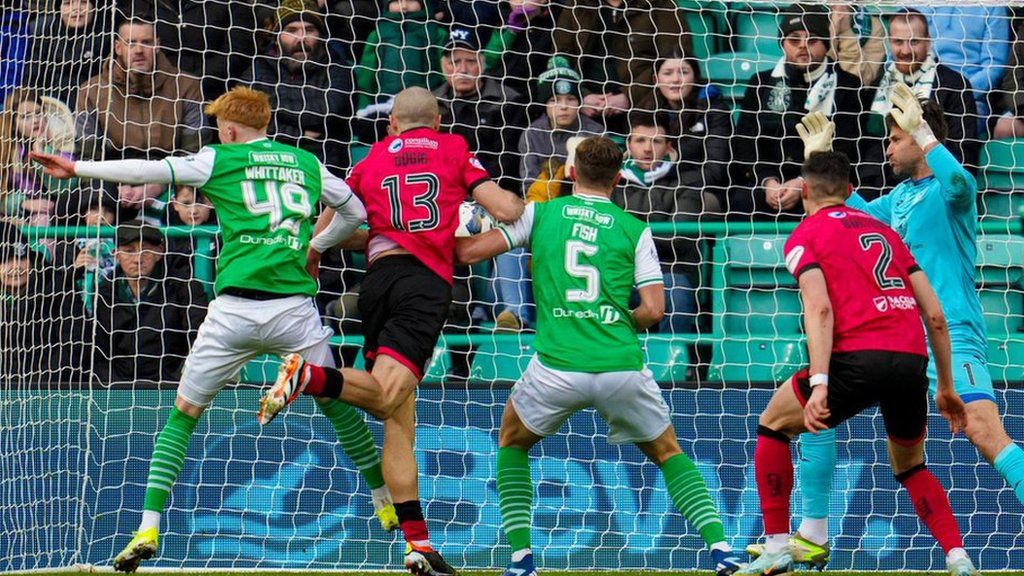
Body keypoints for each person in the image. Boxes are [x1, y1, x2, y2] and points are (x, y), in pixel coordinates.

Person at [31, 86, 395, 573]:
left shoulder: (219, 158)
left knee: (184, 413)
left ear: (228, 128)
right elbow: (354, 211)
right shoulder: (306, 163)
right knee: (335, 401)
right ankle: (383, 499)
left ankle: (148, 525)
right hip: (293, 311)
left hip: (234, 313)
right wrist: (316, 245)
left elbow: (149, 171)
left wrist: (77, 168)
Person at [752, 83, 1024, 570]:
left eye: (896, 138)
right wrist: (821, 161)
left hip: (953, 333)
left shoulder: (950, 192)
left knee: (983, 432)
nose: (888, 147)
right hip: (901, 337)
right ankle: (813, 534)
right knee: (813, 418)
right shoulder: (898, 198)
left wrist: (924, 132)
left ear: (920, 139)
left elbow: (963, 185)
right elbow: (850, 215)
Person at [257, 86, 524, 576]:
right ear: (438, 121)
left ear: (394, 123)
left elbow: (335, 221)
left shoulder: (371, 158)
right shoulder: (455, 149)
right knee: (384, 398)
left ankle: (418, 545)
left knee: (399, 417)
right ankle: (309, 377)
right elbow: (505, 211)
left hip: (376, 282)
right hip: (423, 284)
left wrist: (314, 254)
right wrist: (524, 209)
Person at [452, 136, 745, 576]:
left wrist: (459, 227)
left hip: (557, 365)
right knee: (668, 452)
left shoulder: (540, 213)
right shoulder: (634, 227)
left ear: (571, 173)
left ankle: (520, 561)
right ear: (617, 177)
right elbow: (654, 310)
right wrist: (610, 321)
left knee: (512, 442)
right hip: (620, 364)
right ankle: (722, 552)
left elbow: (469, 253)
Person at [736, 149, 976, 576]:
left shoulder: (804, 235)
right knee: (912, 465)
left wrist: (822, 383)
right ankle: (957, 557)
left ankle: (776, 545)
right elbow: (935, 315)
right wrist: (946, 387)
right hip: (910, 361)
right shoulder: (887, 233)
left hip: (854, 359)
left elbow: (820, 310)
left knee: (773, 424)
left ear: (804, 191)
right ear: (849, 191)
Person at [732, 3, 867, 217]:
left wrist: (804, 181)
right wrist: (768, 182)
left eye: (812, 40)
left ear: (826, 44)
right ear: (783, 44)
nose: (803, 46)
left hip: (824, 185)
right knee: (740, 199)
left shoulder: (848, 86)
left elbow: (849, 146)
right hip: (769, 186)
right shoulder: (761, 83)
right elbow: (745, 142)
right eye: (794, 40)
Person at [858, 8, 977, 195]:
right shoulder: (878, 84)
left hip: (934, 189)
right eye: (898, 42)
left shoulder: (954, 85)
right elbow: (867, 148)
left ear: (928, 42)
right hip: (881, 190)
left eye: (914, 42)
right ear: (889, 42)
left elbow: (963, 152)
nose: (905, 51)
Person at [240, 0, 354, 172]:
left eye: (309, 30)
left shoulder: (337, 68)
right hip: (266, 162)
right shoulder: (259, 67)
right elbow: (244, 116)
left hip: (322, 165)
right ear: (277, 37)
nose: (301, 38)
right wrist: (297, 135)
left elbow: (327, 113)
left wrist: (268, 105)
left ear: (321, 35)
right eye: (292, 30)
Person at [90, 221, 209, 384]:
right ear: (116, 255)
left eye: (145, 251)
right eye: (129, 251)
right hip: (117, 387)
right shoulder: (105, 292)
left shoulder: (184, 287)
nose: (137, 259)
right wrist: (114, 386)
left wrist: (176, 381)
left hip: (172, 385)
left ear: (159, 252)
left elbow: (199, 338)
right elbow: (99, 352)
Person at [75, 15, 204, 161]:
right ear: (118, 48)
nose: (139, 50)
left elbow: (194, 150)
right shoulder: (92, 90)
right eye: (131, 43)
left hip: (170, 173)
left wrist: (168, 182)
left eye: (146, 42)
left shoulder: (186, 85)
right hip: (113, 174)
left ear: (157, 45)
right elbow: (87, 155)